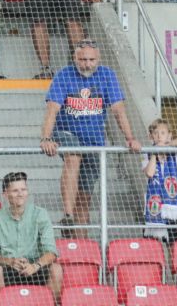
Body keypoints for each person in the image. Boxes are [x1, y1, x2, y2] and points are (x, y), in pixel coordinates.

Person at [40, 41, 142, 227]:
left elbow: (118, 110)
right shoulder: (64, 75)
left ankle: (80, 239)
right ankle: (68, 215)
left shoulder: (107, 75)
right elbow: (52, 110)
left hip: (94, 140)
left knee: (85, 198)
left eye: (91, 60)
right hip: (66, 132)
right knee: (73, 155)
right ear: (75, 58)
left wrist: (130, 138)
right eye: (83, 60)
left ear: (98, 58)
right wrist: (46, 138)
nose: (87, 64)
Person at [0, 171, 62, 304]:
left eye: (23, 189)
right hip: (9, 268)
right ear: (5, 194)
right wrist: (11, 261)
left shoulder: (40, 214)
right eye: (15, 191)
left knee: (56, 269)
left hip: (35, 267)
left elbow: (51, 252)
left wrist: (35, 266)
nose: (20, 194)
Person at [142, 118, 177, 241]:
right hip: (155, 203)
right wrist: (155, 153)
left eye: (163, 133)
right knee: (153, 243)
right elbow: (150, 173)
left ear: (169, 135)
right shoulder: (147, 152)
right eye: (156, 133)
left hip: (172, 205)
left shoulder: (174, 150)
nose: (159, 136)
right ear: (151, 136)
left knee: (174, 241)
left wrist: (166, 146)